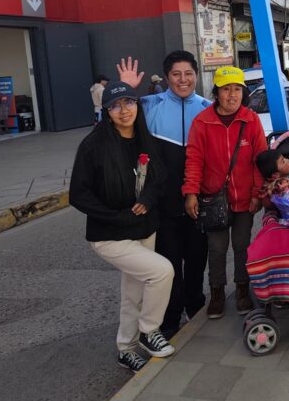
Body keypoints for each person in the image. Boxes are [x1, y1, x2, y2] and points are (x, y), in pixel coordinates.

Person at [69, 81, 176, 373]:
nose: (124, 110)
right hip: (110, 234)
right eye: (115, 106)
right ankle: (149, 330)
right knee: (162, 271)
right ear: (106, 111)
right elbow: (78, 194)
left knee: (133, 294)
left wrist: (148, 198)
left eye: (129, 102)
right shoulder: (93, 145)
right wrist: (115, 216)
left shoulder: (144, 138)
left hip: (144, 228)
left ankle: (126, 349)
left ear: (137, 105)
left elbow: (158, 176)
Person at [118, 52, 211, 341]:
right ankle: (170, 319)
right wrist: (127, 91)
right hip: (163, 204)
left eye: (188, 73)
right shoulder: (149, 106)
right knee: (168, 265)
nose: (183, 80)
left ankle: (196, 309)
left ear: (196, 75)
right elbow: (118, 120)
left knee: (196, 260)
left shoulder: (208, 109)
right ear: (167, 77)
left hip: (199, 202)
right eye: (176, 74)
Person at [183, 66, 268, 319]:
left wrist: (257, 194)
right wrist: (191, 192)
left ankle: (242, 289)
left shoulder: (251, 120)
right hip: (213, 198)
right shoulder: (202, 122)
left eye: (237, 89)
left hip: (245, 198)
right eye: (226, 89)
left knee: (242, 245)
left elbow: (260, 160)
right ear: (216, 93)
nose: (232, 95)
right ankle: (217, 292)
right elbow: (194, 159)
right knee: (217, 248)